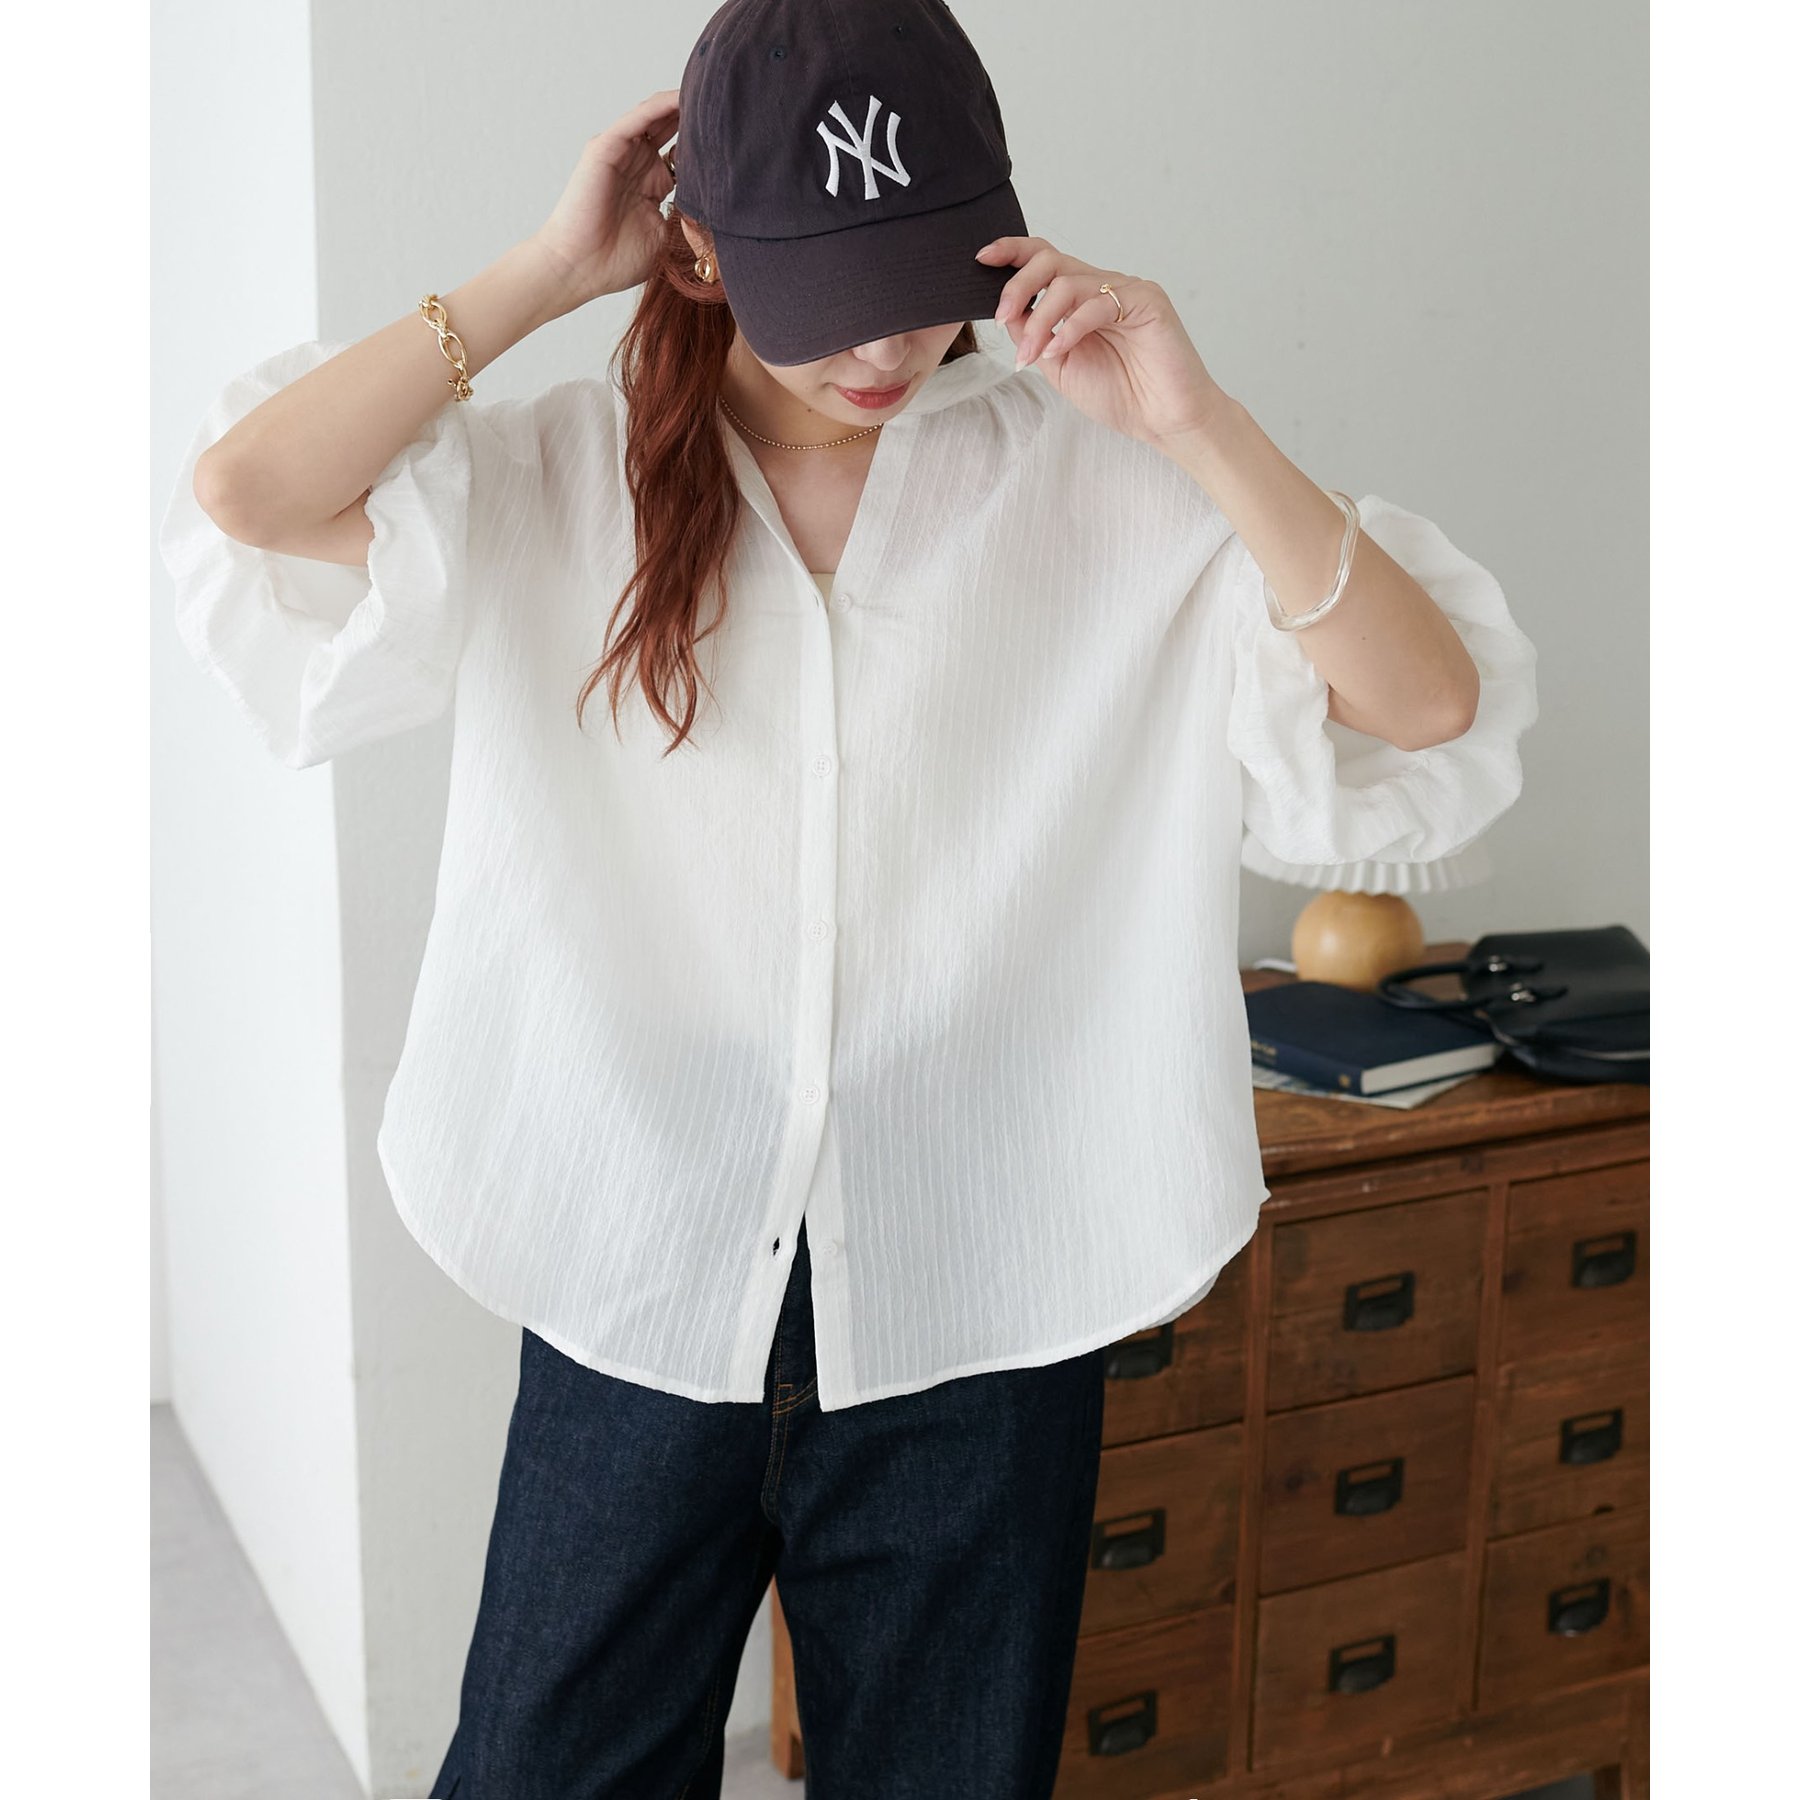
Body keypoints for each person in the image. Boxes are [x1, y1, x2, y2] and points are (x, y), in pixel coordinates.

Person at [158, 1, 1538, 1795]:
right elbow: (248, 494)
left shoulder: (1110, 487)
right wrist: (545, 272)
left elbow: (1424, 707)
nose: (889, 346)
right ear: (704, 250)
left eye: (925, 280)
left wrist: (1197, 424)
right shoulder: (557, 476)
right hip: (640, 1257)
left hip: (982, 1284)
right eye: (831, 294)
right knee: (541, 1769)